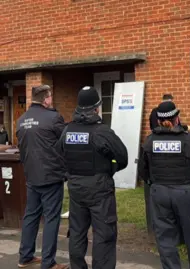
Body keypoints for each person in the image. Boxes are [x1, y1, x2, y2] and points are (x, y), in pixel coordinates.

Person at [55, 86, 128, 269]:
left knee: (77, 233)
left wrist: (70, 172)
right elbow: (123, 157)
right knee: (104, 235)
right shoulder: (101, 131)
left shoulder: (68, 130)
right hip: (100, 189)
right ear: (96, 108)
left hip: (76, 188)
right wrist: (110, 168)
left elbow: (58, 154)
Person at [138, 101, 190, 269]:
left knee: (165, 237)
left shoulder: (150, 140)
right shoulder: (188, 139)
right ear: (177, 117)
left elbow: (142, 169)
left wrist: (153, 182)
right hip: (184, 191)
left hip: (159, 192)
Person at [16, 85, 68, 269]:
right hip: (51, 176)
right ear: (46, 98)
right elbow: (66, 142)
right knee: (51, 218)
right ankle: (48, 262)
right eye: (51, 96)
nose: (51, 99)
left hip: (31, 176)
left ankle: (25, 256)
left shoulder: (21, 120)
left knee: (31, 215)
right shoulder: (53, 117)